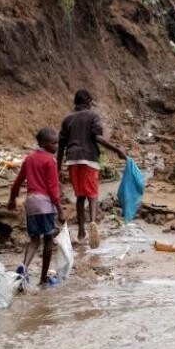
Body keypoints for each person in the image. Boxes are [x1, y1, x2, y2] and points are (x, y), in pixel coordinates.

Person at [57, 89, 127, 248]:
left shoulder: (67, 119)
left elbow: (60, 145)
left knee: (80, 196)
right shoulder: (92, 116)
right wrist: (117, 150)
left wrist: (58, 167)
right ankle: (93, 222)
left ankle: (81, 232)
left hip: (72, 160)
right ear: (88, 101)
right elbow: (97, 137)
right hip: (89, 158)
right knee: (92, 194)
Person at [8, 127, 66, 287]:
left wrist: (12, 198)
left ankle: (24, 268)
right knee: (48, 240)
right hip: (46, 205)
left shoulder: (29, 158)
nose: (57, 146)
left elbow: (18, 182)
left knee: (34, 240)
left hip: (31, 203)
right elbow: (53, 188)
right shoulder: (50, 161)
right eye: (54, 143)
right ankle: (42, 279)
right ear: (44, 143)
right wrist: (60, 209)